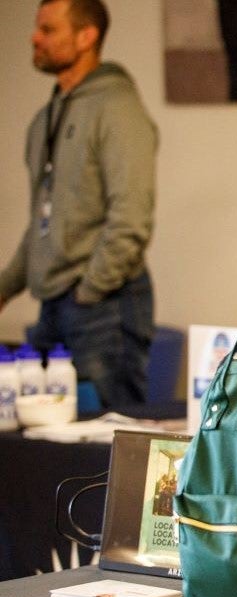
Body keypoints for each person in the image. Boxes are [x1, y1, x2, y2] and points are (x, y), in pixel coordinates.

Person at [0, 0, 156, 408]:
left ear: (86, 37)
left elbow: (131, 219)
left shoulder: (118, 109)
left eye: (48, 29)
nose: (34, 38)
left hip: (104, 310)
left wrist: (89, 291)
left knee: (104, 448)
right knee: (42, 449)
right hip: (53, 309)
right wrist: (6, 288)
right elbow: (43, 225)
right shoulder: (44, 120)